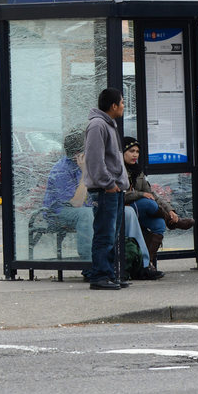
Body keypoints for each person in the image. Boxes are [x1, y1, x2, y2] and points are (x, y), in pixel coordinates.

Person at [41, 132, 161, 279]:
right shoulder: (61, 170)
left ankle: (140, 264)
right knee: (85, 214)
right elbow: (77, 203)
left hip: (89, 208)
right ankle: (91, 265)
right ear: (78, 154)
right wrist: (85, 171)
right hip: (60, 212)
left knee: (127, 212)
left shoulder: (93, 163)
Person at [122, 136, 195, 269]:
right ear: (122, 152)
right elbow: (120, 195)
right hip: (123, 208)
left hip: (138, 209)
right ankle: (173, 222)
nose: (135, 155)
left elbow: (152, 194)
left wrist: (170, 210)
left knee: (158, 223)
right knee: (147, 203)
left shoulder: (137, 170)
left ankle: (146, 264)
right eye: (131, 151)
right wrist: (141, 194)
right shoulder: (118, 169)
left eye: (137, 152)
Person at [82, 87, 129, 290]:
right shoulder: (97, 126)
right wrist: (109, 185)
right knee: (104, 233)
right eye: (122, 102)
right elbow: (94, 160)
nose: (124, 106)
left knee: (112, 233)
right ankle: (100, 276)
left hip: (115, 190)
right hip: (105, 191)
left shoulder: (110, 124)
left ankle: (109, 274)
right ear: (113, 106)